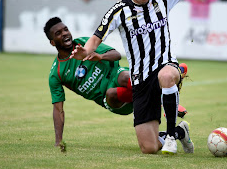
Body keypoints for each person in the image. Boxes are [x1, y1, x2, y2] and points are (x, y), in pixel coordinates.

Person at [70, 0, 227, 155]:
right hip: (141, 79)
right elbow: (96, 38)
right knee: (148, 148)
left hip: (165, 65)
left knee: (167, 75)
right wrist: (85, 52)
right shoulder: (119, 11)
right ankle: (179, 132)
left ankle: (169, 136)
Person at [44, 17, 187, 147]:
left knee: (125, 77)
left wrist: (100, 56)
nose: (64, 34)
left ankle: (178, 130)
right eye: (58, 33)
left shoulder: (84, 44)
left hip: (118, 76)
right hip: (111, 99)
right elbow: (58, 109)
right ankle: (165, 91)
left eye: (65, 29)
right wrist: (58, 140)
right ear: (52, 42)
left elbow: (116, 55)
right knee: (111, 93)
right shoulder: (56, 73)